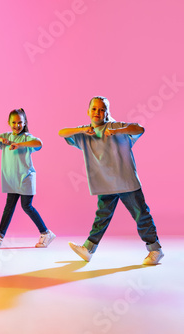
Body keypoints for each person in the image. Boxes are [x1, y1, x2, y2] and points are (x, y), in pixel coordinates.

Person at [59, 96, 163, 265]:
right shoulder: (85, 133)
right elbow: (62, 133)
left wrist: (117, 131)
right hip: (105, 183)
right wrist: (83, 129)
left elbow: (140, 128)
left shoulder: (115, 126)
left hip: (126, 181)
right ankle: (88, 249)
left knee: (140, 214)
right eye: (94, 109)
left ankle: (155, 250)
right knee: (102, 216)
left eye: (102, 110)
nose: (97, 113)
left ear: (107, 113)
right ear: (88, 111)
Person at [0, 109, 55, 248]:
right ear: (8, 123)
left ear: (25, 122)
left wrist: (20, 145)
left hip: (26, 178)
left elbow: (39, 143)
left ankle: (46, 233)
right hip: (12, 180)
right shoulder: (5, 137)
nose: (16, 125)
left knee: (26, 206)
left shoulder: (27, 137)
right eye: (13, 122)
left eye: (20, 122)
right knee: (9, 207)